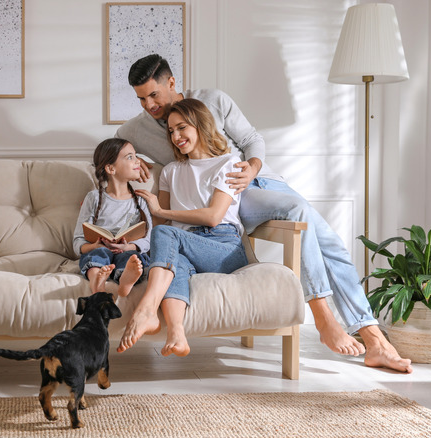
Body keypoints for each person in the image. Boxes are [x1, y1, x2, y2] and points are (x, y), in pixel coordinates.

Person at [115, 54, 413, 373]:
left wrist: (251, 167)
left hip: (254, 184)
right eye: (141, 98)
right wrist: (130, 160)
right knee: (298, 221)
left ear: (171, 83)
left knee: (330, 243)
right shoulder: (139, 129)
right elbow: (118, 148)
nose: (148, 105)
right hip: (218, 201)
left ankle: (368, 337)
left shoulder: (213, 100)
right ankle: (336, 323)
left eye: (153, 95)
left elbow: (251, 140)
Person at [117, 98, 249, 357]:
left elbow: (213, 217)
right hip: (184, 245)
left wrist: (159, 211)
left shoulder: (229, 163)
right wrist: (127, 237)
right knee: (172, 259)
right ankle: (176, 334)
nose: (175, 136)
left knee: (167, 235)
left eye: (182, 127)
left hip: (223, 247)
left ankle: (146, 309)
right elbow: (162, 225)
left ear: (200, 125)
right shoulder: (170, 171)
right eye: (170, 131)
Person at [73, 138, 152, 297]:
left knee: (133, 259)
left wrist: (128, 247)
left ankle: (125, 282)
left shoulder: (140, 201)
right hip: (99, 249)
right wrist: (93, 246)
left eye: (136, 155)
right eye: (130, 157)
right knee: (98, 255)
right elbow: (78, 240)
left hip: (126, 250)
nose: (138, 161)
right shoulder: (94, 198)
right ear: (110, 168)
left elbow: (148, 238)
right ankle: (97, 281)